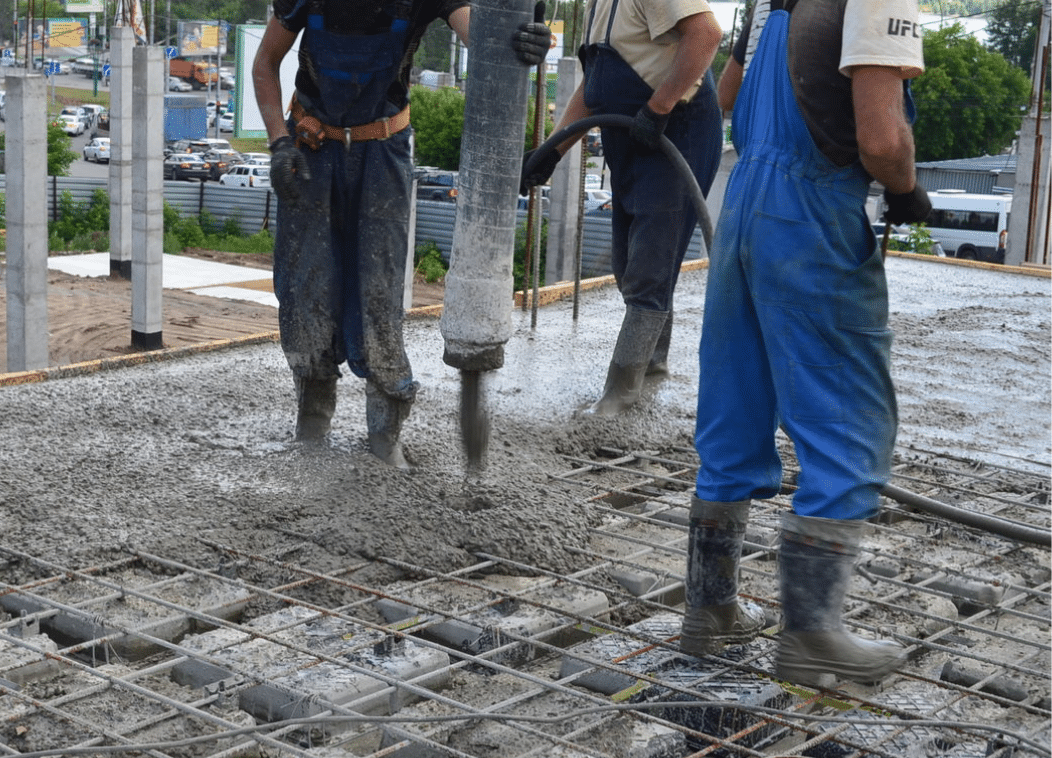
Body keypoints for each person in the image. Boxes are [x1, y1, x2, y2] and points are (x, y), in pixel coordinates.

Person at [680, 0, 931, 685]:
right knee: (848, 423)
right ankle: (813, 637)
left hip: (745, 211)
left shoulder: (772, 0)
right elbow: (881, 141)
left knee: (733, 416)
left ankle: (711, 612)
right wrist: (906, 185)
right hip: (812, 221)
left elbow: (723, 97)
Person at [252, 0, 550, 468]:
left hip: (381, 153)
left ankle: (384, 435)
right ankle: (311, 425)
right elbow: (265, 64)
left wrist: (517, 41)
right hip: (311, 149)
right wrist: (277, 143)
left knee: (379, 293)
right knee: (304, 286)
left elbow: (482, 38)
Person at [521, 0, 722, 416]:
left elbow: (706, 34)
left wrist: (660, 106)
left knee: (650, 264)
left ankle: (622, 389)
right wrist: (552, 151)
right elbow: (596, 88)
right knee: (628, 261)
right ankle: (652, 360)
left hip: (674, 133)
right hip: (632, 138)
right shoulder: (597, 6)